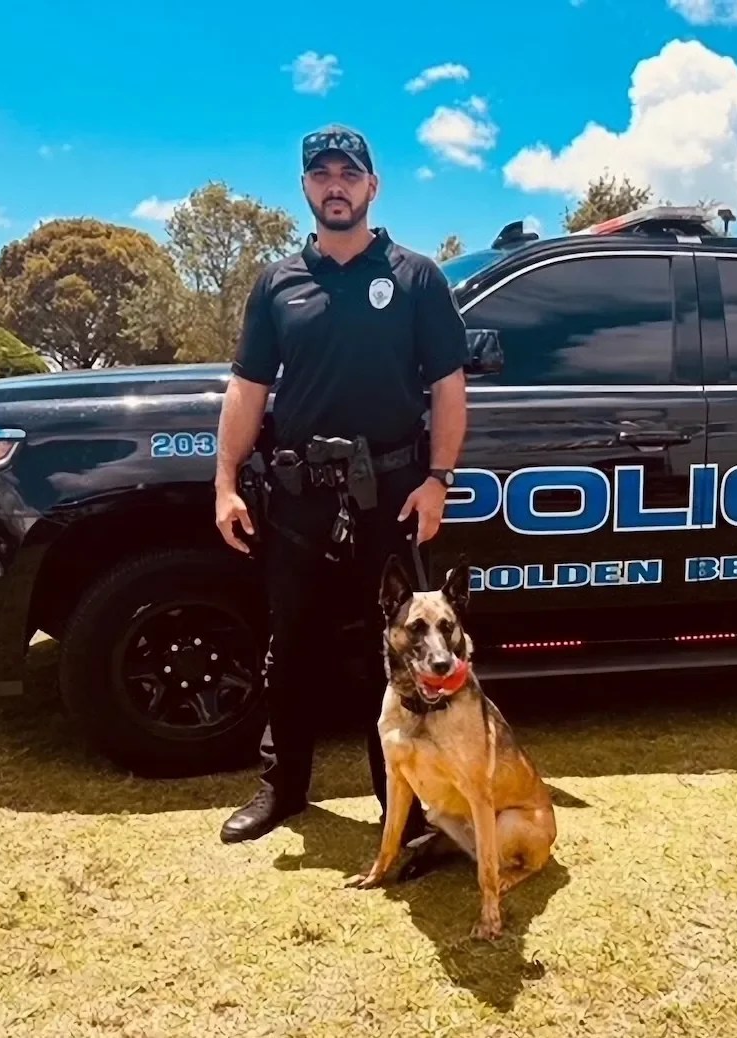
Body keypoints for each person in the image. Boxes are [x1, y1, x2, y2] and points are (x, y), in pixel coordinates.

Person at [212, 123, 470, 843]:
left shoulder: (418, 277)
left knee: (396, 654)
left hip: (389, 492)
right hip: (297, 499)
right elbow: (247, 387)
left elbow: (449, 388)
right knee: (289, 646)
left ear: (371, 186)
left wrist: (438, 481)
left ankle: (404, 807)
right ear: (305, 187)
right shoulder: (278, 284)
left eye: (348, 174)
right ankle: (284, 788)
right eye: (321, 174)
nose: (335, 185)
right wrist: (226, 481)